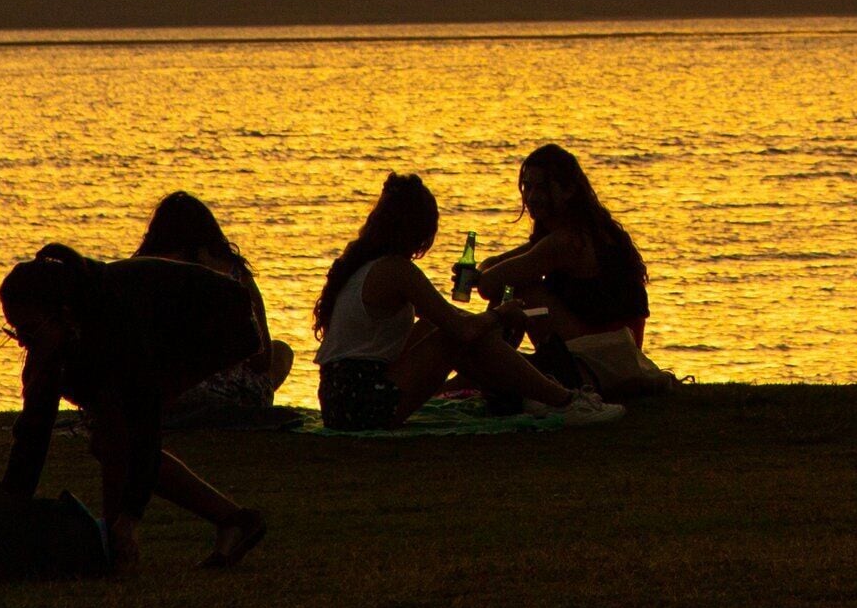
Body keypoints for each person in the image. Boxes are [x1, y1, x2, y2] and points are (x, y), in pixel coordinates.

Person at [0, 246, 273, 573]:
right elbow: (34, 429)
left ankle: (119, 542)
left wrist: (130, 517)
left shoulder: (116, 322)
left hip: (219, 322)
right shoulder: (65, 328)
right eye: (15, 332)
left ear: (61, 312)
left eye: (28, 331)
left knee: (116, 433)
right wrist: (8, 510)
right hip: (168, 324)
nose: (22, 343)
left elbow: (144, 423)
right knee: (110, 434)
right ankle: (233, 521)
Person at [315, 173, 620, 431]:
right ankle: (565, 401)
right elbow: (460, 330)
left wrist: (486, 321)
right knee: (455, 335)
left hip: (340, 397)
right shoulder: (396, 270)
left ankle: (526, 396)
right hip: (359, 403)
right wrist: (500, 316)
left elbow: (446, 318)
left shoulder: (365, 265)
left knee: (436, 326)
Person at [472, 145, 662, 393]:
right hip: (606, 348)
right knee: (515, 285)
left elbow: (489, 284)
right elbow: (497, 265)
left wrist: (482, 276)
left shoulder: (568, 241)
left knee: (523, 291)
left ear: (569, 190)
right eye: (527, 187)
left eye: (542, 187)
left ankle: (490, 362)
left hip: (604, 354)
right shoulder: (577, 230)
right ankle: (491, 362)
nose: (531, 197)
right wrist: (486, 272)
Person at [134, 193, 296, 430]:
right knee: (282, 351)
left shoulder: (140, 272)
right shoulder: (233, 272)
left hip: (162, 393)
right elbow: (263, 357)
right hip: (227, 394)